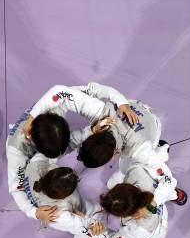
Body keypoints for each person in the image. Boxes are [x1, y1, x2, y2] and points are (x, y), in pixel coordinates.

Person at [7, 84, 123, 223]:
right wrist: (34, 213)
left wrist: (91, 131)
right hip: (27, 153)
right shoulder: (16, 152)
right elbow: (16, 188)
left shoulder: (55, 109)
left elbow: (63, 90)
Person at [73, 82, 188, 205]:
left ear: (112, 157)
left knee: (125, 176)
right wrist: (120, 101)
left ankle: (163, 161)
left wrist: (153, 203)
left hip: (150, 132)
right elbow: (83, 91)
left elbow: (168, 181)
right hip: (137, 110)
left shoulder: (140, 150)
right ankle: (158, 152)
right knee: (114, 182)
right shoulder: (102, 112)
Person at [21, 154, 105, 238]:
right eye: (76, 181)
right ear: (65, 195)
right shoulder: (58, 214)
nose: (74, 173)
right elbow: (83, 226)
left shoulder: (35, 165)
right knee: (90, 226)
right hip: (72, 214)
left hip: (51, 206)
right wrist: (86, 220)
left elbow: (50, 152)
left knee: (95, 209)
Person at [97, 162, 176, 238]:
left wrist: (99, 232)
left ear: (127, 215)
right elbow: (167, 181)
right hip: (161, 215)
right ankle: (176, 195)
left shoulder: (136, 230)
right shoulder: (137, 171)